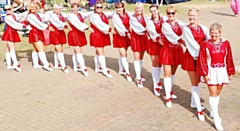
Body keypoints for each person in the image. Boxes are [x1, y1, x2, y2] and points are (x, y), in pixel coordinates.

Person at [196, 23, 235, 130]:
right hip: (210, 71)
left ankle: (213, 111)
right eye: (212, 33)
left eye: (216, 33)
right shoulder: (205, 44)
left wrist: (229, 70)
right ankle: (216, 119)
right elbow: (202, 59)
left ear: (220, 33)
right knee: (213, 93)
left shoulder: (226, 43)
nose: (214, 36)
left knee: (217, 93)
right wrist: (205, 74)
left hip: (221, 71)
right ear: (209, 33)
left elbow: (229, 57)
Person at [182, 8, 209, 121]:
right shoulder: (186, 29)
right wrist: (204, 54)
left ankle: (194, 102)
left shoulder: (203, 28)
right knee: (194, 82)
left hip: (201, 58)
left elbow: (208, 40)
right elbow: (192, 44)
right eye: (190, 15)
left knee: (199, 81)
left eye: (194, 16)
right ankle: (199, 109)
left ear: (198, 17)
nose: (192, 18)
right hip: (192, 56)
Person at [160, 6, 184, 108]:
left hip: (176, 50)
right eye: (169, 13)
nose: (171, 15)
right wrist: (181, 40)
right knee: (167, 73)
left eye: (173, 13)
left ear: (176, 13)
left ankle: (169, 90)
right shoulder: (165, 25)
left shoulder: (181, 23)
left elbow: (188, 29)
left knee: (173, 72)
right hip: (167, 50)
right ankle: (168, 97)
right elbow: (172, 36)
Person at [67, 3, 93, 76]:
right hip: (74, 34)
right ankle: (83, 67)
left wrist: (95, 10)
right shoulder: (70, 15)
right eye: (73, 8)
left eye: (76, 8)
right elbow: (77, 23)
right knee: (78, 51)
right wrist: (88, 28)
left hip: (79, 33)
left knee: (77, 50)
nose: (74, 9)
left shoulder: (80, 14)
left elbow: (87, 14)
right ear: (71, 8)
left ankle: (75, 66)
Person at [89, 1, 113, 78]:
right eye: (97, 7)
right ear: (95, 8)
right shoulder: (94, 16)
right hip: (96, 34)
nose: (99, 9)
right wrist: (110, 29)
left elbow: (112, 14)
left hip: (102, 34)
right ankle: (104, 69)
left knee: (99, 50)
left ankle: (97, 67)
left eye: (100, 7)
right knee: (100, 51)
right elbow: (100, 24)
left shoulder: (103, 14)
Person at [27, 2, 53, 71]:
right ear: (30, 8)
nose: (33, 9)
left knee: (36, 49)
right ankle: (46, 64)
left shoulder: (37, 14)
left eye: (34, 7)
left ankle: (35, 64)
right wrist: (47, 27)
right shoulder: (30, 16)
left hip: (38, 32)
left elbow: (44, 18)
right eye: (32, 7)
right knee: (41, 49)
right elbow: (38, 23)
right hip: (35, 33)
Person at [146, 4, 166, 96]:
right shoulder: (149, 21)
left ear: (158, 10)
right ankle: (155, 84)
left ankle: (158, 81)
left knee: (160, 62)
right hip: (154, 43)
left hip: (163, 43)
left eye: (155, 11)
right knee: (155, 62)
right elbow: (153, 33)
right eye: (152, 11)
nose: (153, 13)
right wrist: (159, 40)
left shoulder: (164, 19)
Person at [1, 5, 27, 72]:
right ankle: (16, 63)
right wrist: (23, 26)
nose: (7, 11)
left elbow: (21, 16)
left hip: (12, 32)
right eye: (5, 9)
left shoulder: (13, 15)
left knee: (8, 49)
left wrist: (28, 11)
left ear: (12, 9)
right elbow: (14, 24)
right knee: (12, 48)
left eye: (8, 9)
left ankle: (9, 64)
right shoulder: (7, 17)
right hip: (10, 33)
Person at [112, 2, 132, 81]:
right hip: (119, 35)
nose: (118, 9)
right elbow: (120, 27)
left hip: (126, 36)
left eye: (120, 8)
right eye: (117, 8)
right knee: (124, 54)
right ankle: (127, 72)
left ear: (123, 8)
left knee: (124, 52)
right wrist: (127, 32)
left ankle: (121, 69)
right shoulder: (115, 16)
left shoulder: (128, 14)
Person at [129, 2, 148, 88]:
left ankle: (139, 74)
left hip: (143, 38)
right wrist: (146, 30)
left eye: (139, 8)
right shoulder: (132, 18)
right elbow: (138, 28)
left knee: (141, 57)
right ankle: (138, 77)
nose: (138, 10)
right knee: (136, 57)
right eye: (136, 8)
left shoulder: (145, 17)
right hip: (135, 38)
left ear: (142, 9)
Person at [48, 3, 71, 73]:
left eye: (57, 9)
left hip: (61, 32)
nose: (56, 10)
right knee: (59, 49)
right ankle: (63, 66)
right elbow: (58, 23)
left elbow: (68, 16)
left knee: (59, 48)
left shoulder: (62, 14)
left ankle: (56, 63)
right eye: (55, 9)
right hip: (55, 32)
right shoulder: (53, 16)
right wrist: (66, 26)